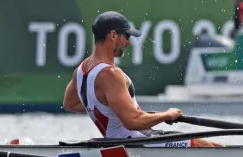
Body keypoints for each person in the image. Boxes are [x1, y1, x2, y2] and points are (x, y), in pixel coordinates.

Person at [62, 11, 222, 147]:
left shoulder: (81, 70)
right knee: (212, 148)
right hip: (135, 141)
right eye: (126, 36)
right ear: (112, 36)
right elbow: (132, 121)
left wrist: (115, 110)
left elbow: (70, 104)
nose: (128, 42)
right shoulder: (110, 73)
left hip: (128, 139)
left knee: (213, 145)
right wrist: (167, 115)